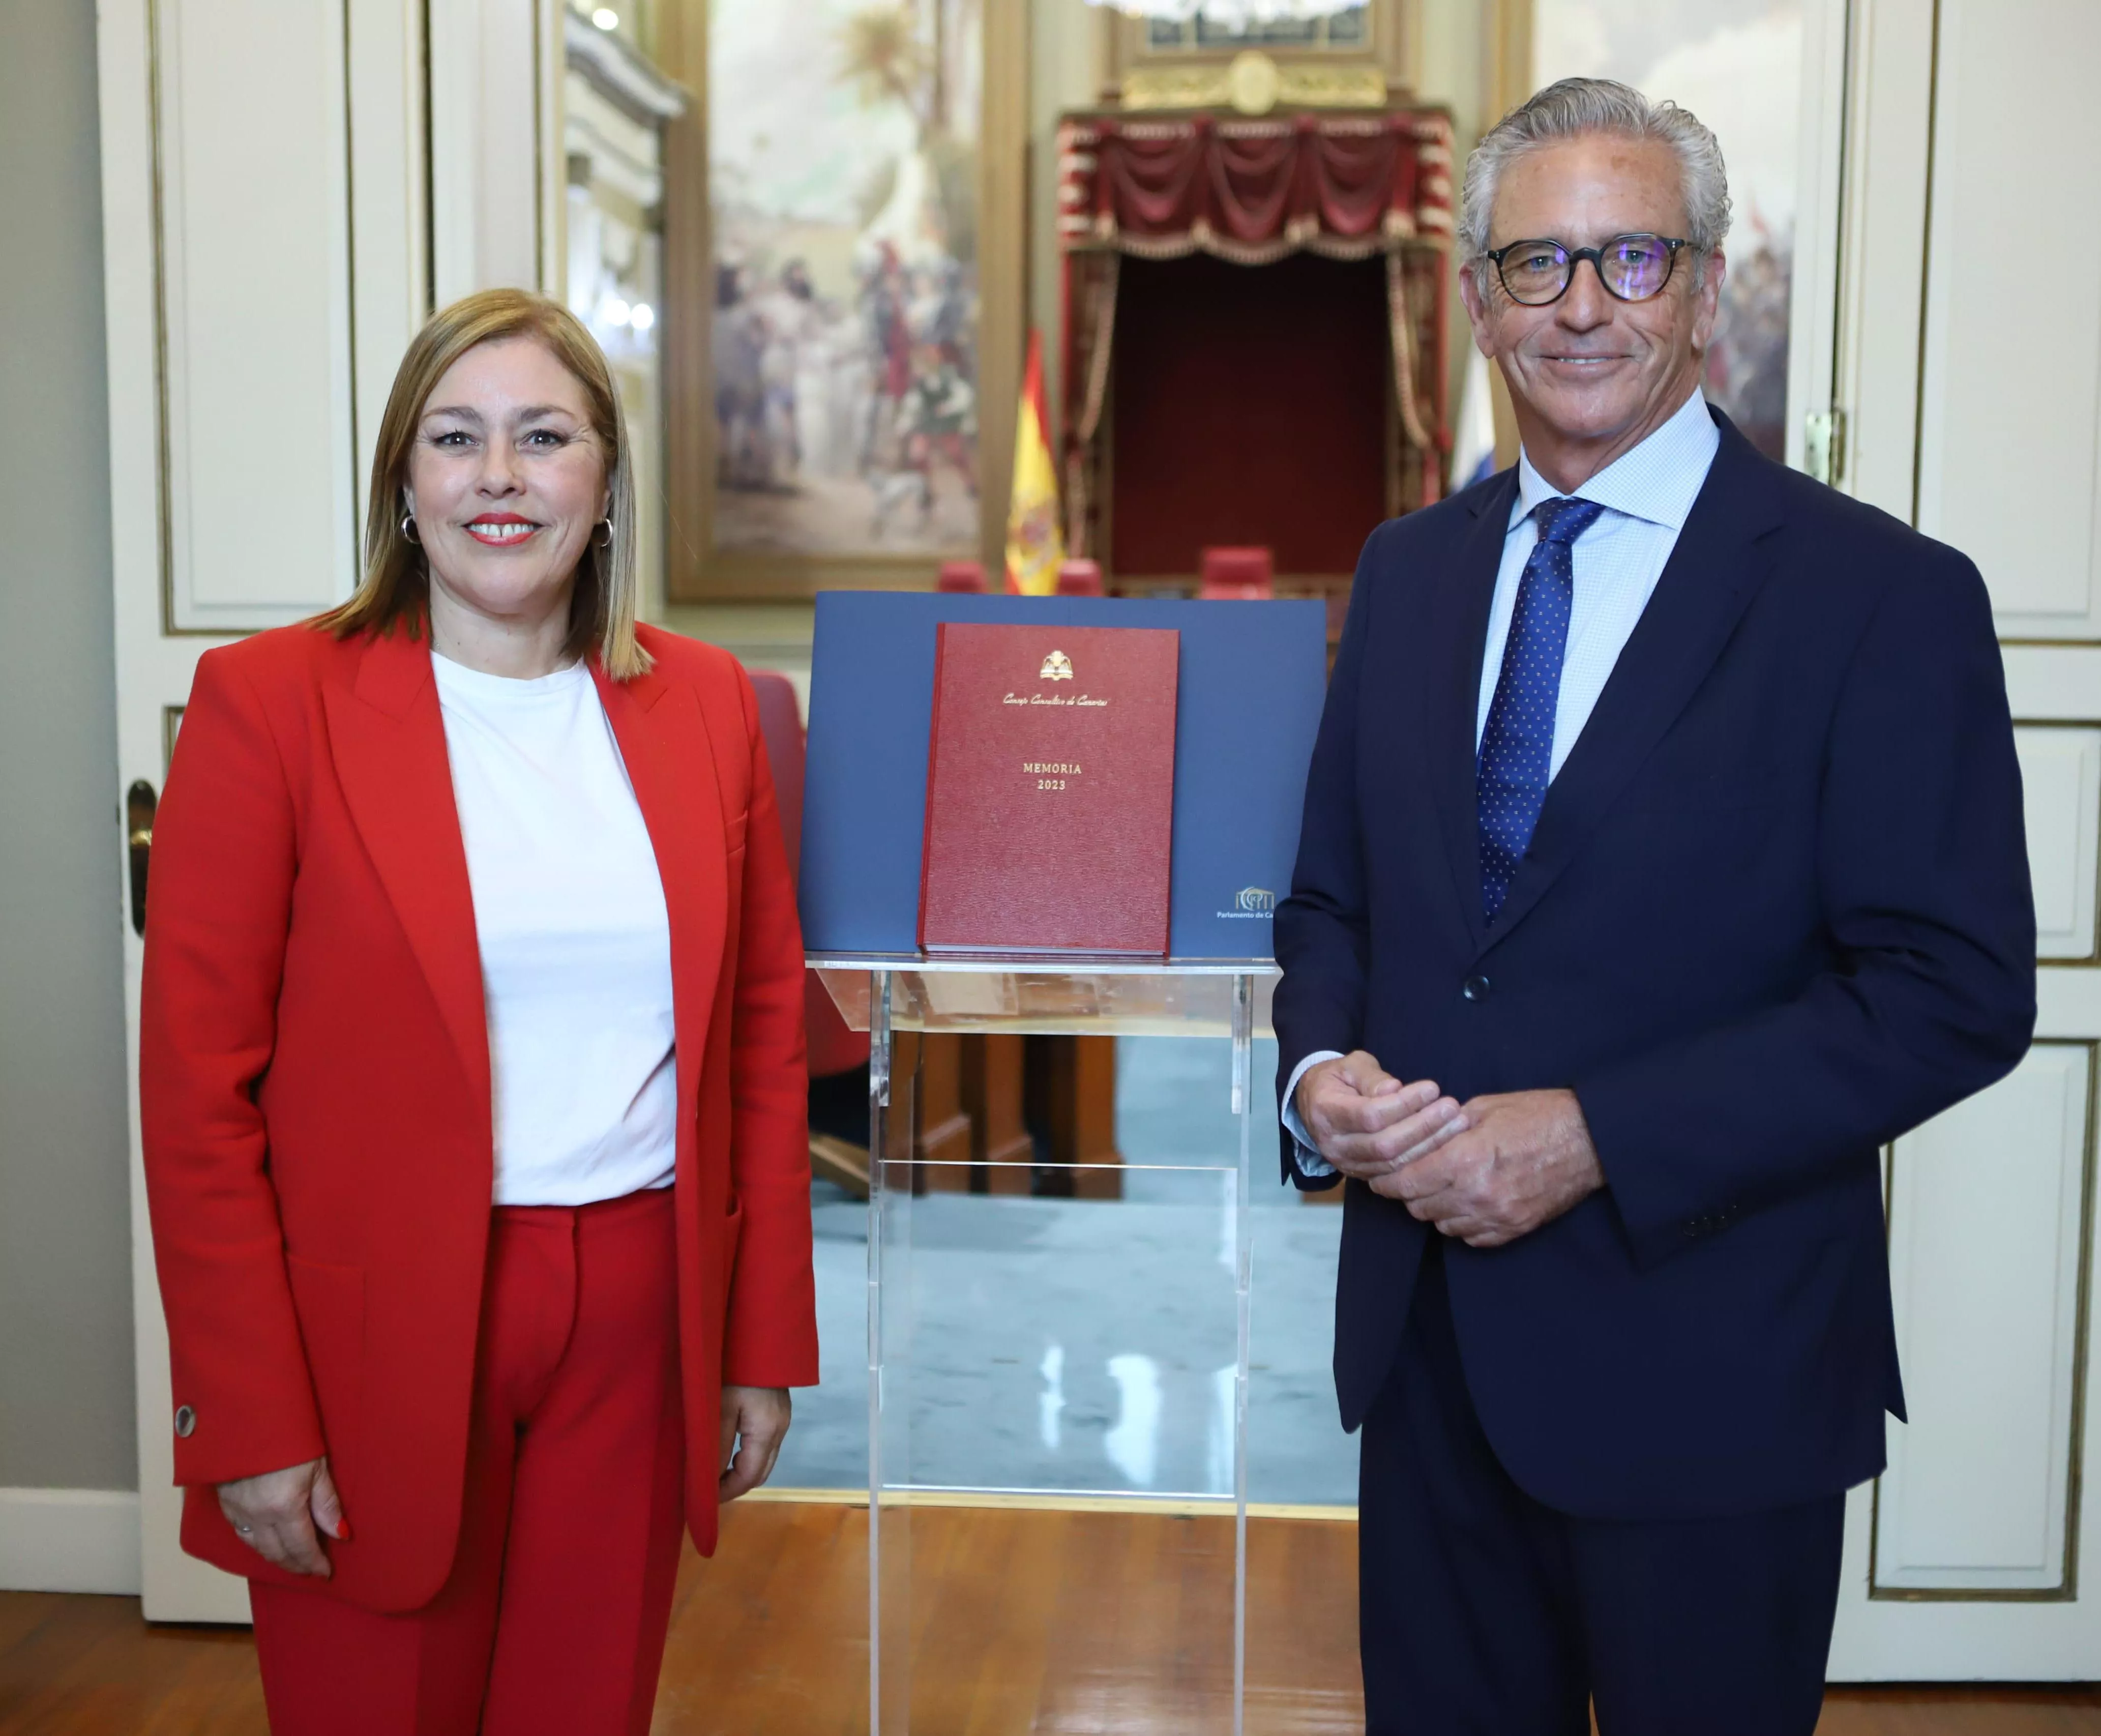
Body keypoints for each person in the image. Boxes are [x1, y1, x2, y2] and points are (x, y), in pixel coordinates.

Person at [1275, 79, 2035, 1735]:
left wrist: (1598, 1132)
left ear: (1705, 283)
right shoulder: (1405, 571)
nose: (1582, 308)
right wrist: (1315, 1070)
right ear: (1477, 298)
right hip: (1429, 1366)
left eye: (1630, 259)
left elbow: (1953, 987)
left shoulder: (1884, 596)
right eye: (1536, 265)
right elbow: (1334, 898)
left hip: (1717, 1370)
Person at [140, 288, 817, 1734]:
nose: (498, 476)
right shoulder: (270, 704)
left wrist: (757, 1340)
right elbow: (196, 1095)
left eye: (543, 436)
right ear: (404, 477)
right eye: (456, 437)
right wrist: (249, 1416)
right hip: (370, 1331)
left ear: (603, 476)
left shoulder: (707, 707)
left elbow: (758, 1041)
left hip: (637, 1315)